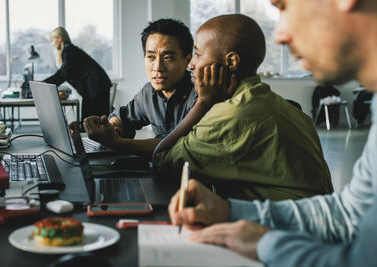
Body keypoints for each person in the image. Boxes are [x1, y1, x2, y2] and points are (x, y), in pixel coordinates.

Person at [169, 0, 377, 265]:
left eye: (284, 7)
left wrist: (266, 243)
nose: (279, 35)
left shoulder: (235, 111)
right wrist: (231, 212)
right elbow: (349, 215)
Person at [153, 14, 333, 201]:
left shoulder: (233, 114)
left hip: (287, 226)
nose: (191, 64)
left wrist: (203, 103)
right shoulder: (268, 100)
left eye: (198, 54)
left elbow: (162, 160)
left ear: (231, 62)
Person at [83, 19, 196, 159]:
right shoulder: (149, 92)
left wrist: (118, 142)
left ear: (188, 59)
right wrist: (111, 127)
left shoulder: (200, 94)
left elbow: (178, 145)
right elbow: (123, 117)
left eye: (167, 58)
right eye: (151, 57)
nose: (157, 67)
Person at [44, 26, 112, 120]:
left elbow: (64, 73)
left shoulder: (69, 50)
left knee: (92, 122)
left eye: (52, 40)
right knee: (90, 122)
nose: (52, 44)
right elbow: (64, 72)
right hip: (95, 87)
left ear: (59, 38)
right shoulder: (69, 50)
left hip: (96, 88)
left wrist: (44, 84)